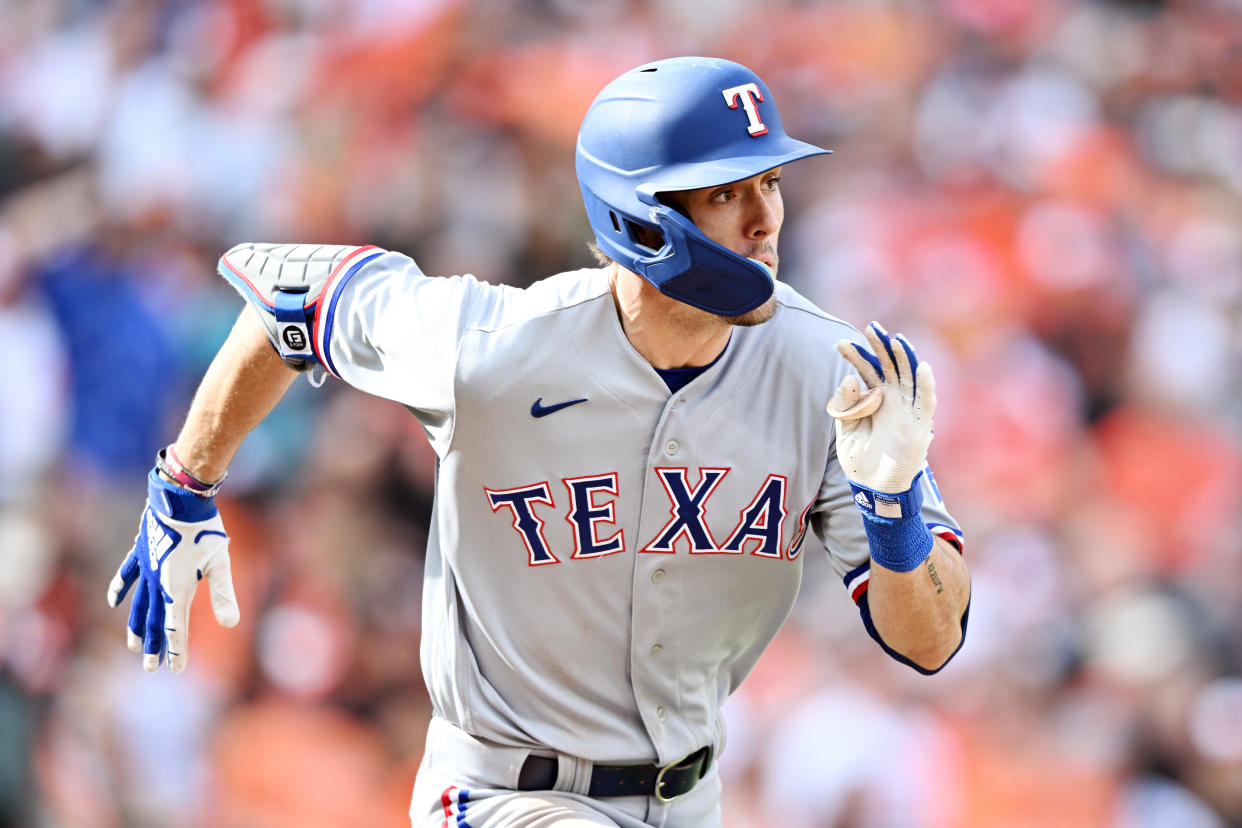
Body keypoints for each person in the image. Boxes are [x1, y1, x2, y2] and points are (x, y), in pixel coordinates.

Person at [106, 56, 971, 828]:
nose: (763, 219)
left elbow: (931, 640)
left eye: (770, 183)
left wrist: (893, 512)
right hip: (499, 797)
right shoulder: (496, 345)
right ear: (640, 219)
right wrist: (184, 486)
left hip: (691, 801)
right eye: (724, 192)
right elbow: (289, 300)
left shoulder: (830, 370)